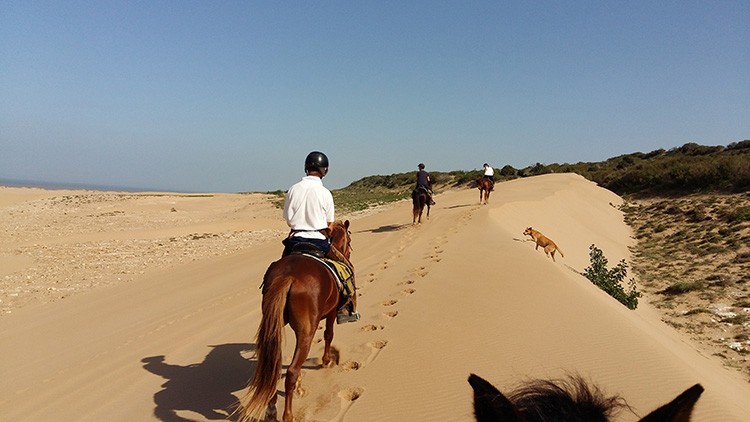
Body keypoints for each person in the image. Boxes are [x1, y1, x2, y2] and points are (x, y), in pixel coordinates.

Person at [282, 151, 360, 323]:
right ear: (325, 170)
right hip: (319, 243)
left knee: (276, 273)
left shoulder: (293, 189)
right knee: (348, 269)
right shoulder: (325, 193)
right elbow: (329, 225)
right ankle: (347, 309)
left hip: (294, 242)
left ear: (305, 167)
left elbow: (288, 219)